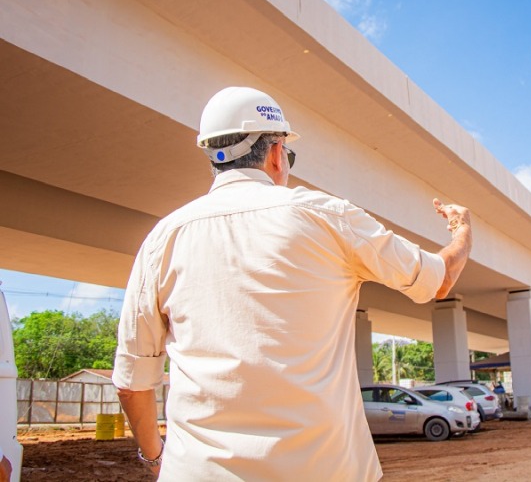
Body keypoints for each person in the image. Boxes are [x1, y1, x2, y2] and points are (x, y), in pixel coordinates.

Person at [112, 86, 472, 480]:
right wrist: (461, 231)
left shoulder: (163, 239)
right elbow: (438, 280)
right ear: (276, 153)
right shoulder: (327, 217)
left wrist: (155, 457)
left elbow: (132, 384)